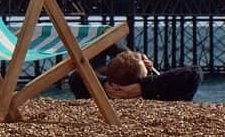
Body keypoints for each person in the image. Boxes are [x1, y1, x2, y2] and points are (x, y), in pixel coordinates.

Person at [67, 41, 202, 102]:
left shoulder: (93, 93)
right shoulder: (163, 96)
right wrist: (144, 87)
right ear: (140, 81)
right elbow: (194, 73)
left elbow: (76, 76)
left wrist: (103, 84)